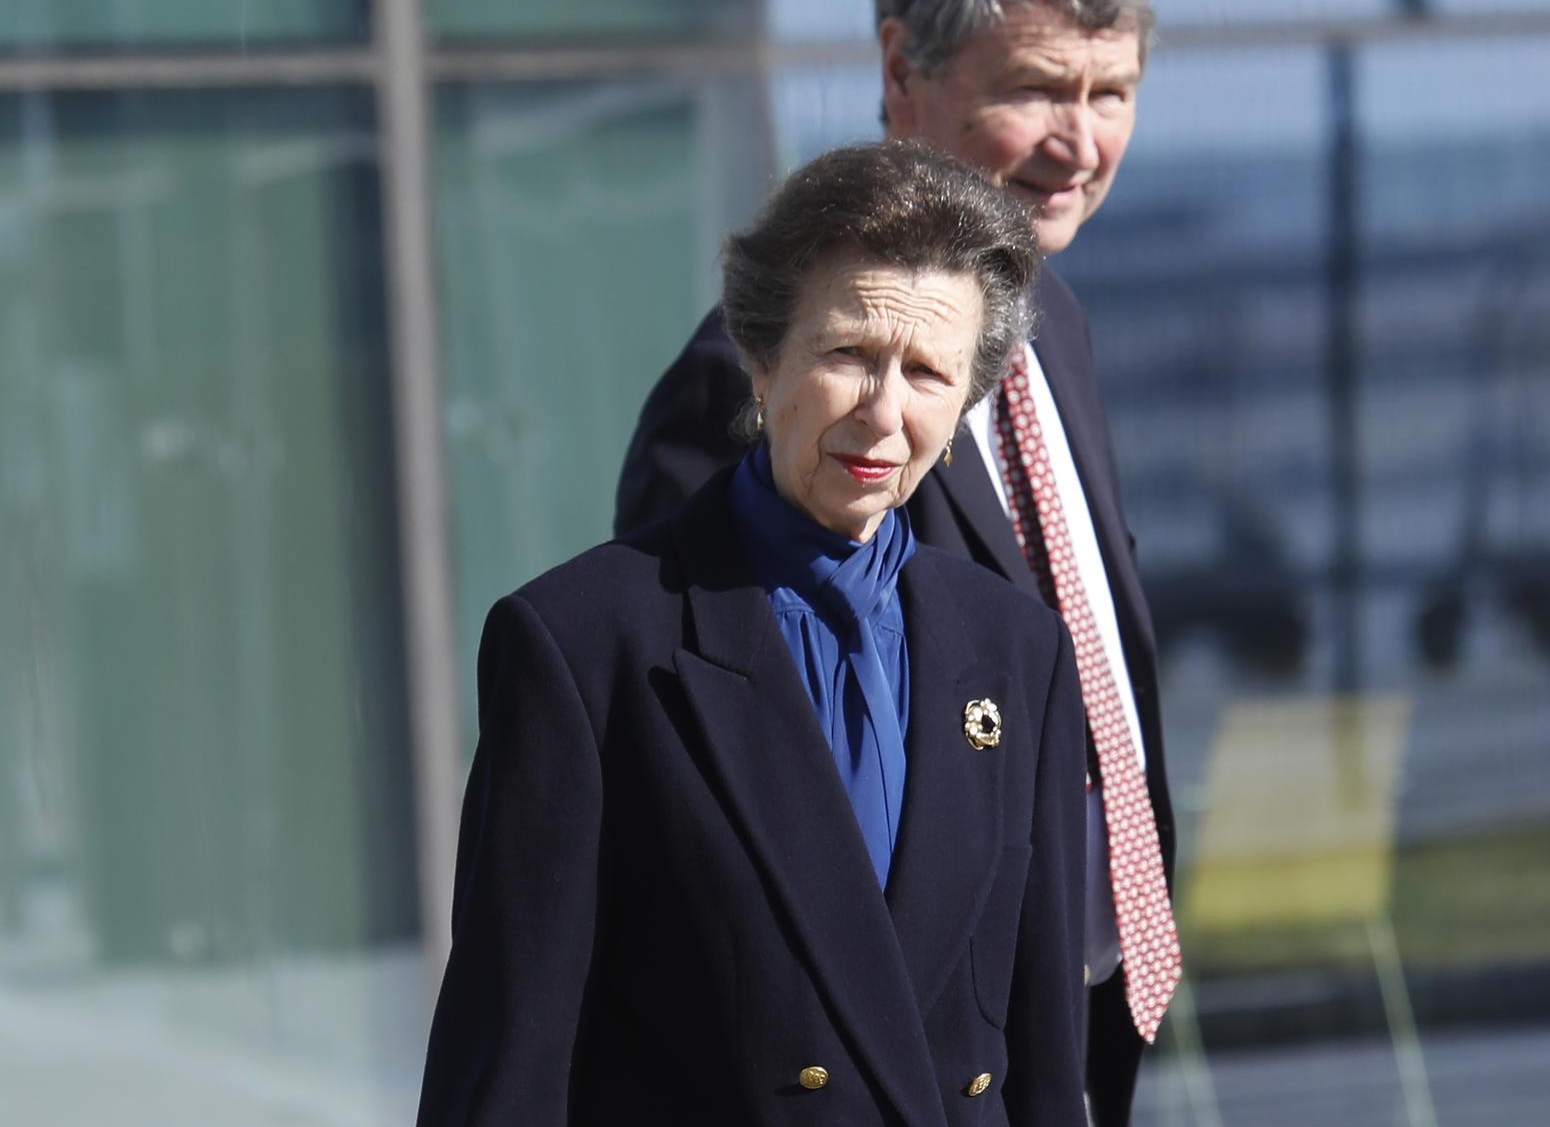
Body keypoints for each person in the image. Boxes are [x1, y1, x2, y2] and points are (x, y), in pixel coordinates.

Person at [611, 0, 1179, 1124]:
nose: (1079, 143)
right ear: (901, 70)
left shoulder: (1055, 329)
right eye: (1035, 88)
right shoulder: (746, 390)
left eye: (1113, 94)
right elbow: (714, 801)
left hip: (1077, 997)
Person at [416, 142, 1088, 1125]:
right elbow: (509, 1069)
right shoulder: (587, 646)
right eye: (848, 354)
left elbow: (1042, 1067)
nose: (883, 414)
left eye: (928, 374)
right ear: (762, 356)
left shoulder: (1016, 650)